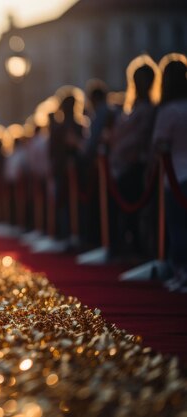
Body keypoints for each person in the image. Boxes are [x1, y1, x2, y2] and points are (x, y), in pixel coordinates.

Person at [107, 55, 160, 258]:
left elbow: (136, 139)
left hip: (139, 165)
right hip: (123, 166)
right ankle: (130, 247)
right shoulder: (132, 109)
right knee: (127, 212)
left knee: (139, 213)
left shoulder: (149, 109)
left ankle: (141, 250)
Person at [152, 53, 187, 291]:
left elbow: (160, 144)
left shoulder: (168, 111)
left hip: (177, 174)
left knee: (178, 227)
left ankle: (181, 271)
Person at [48, 90, 85, 242]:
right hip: (64, 171)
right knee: (64, 204)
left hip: (73, 172)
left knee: (71, 204)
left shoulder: (75, 126)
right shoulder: (62, 128)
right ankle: (67, 234)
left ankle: (72, 234)